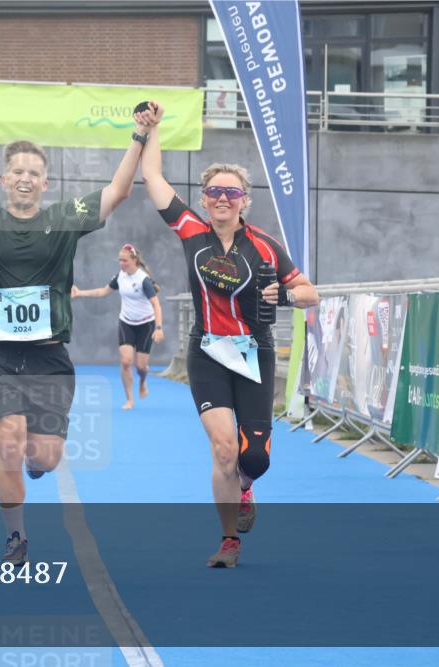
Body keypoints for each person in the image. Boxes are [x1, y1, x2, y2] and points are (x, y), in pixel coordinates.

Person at [0, 74, 145, 564]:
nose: (24, 177)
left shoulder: (63, 217)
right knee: (7, 443)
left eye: (33, 172)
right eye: (16, 170)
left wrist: (140, 136)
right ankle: (16, 536)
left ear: (46, 182)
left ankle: (38, 466)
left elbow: (119, 191)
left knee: (44, 456)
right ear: (4, 180)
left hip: (47, 356)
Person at [136, 102, 319, 568]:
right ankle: (229, 540)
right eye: (214, 191)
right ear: (203, 199)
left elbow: (309, 292)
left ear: (244, 200)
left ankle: (247, 484)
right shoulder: (190, 230)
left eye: (231, 193)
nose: (222, 198)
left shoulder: (265, 245)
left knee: (253, 457)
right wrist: (151, 130)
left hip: (254, 353)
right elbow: (153, 178)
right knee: (222, 449)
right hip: (207, 351)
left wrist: (286, 296)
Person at [72, 243, 164, 410]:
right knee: (126, 362)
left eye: (125, 261)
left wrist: (158, 328)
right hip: (126, 323)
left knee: (141, 366)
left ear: (134, 260)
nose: (121, 264)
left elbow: (156, 305)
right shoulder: (120, 277)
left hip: (146, 325)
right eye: (120, 260)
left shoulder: (144, 280)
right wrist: (80, 293)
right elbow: (103, 291)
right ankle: (129, 399)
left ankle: (143, 381)